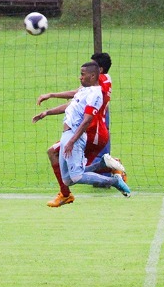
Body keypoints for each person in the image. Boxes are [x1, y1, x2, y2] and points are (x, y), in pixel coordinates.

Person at [36, 53, 126, 207]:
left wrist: (51, 97)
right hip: (94, 131)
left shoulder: (99, 84)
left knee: (66, 164)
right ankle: (108, 166)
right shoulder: (102, 82)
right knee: (73, 170)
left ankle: (68, 193)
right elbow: (77, 96)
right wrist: (50, 101)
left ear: (98, 71)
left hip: (92, 132)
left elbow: (80, 99)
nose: (81, 77)